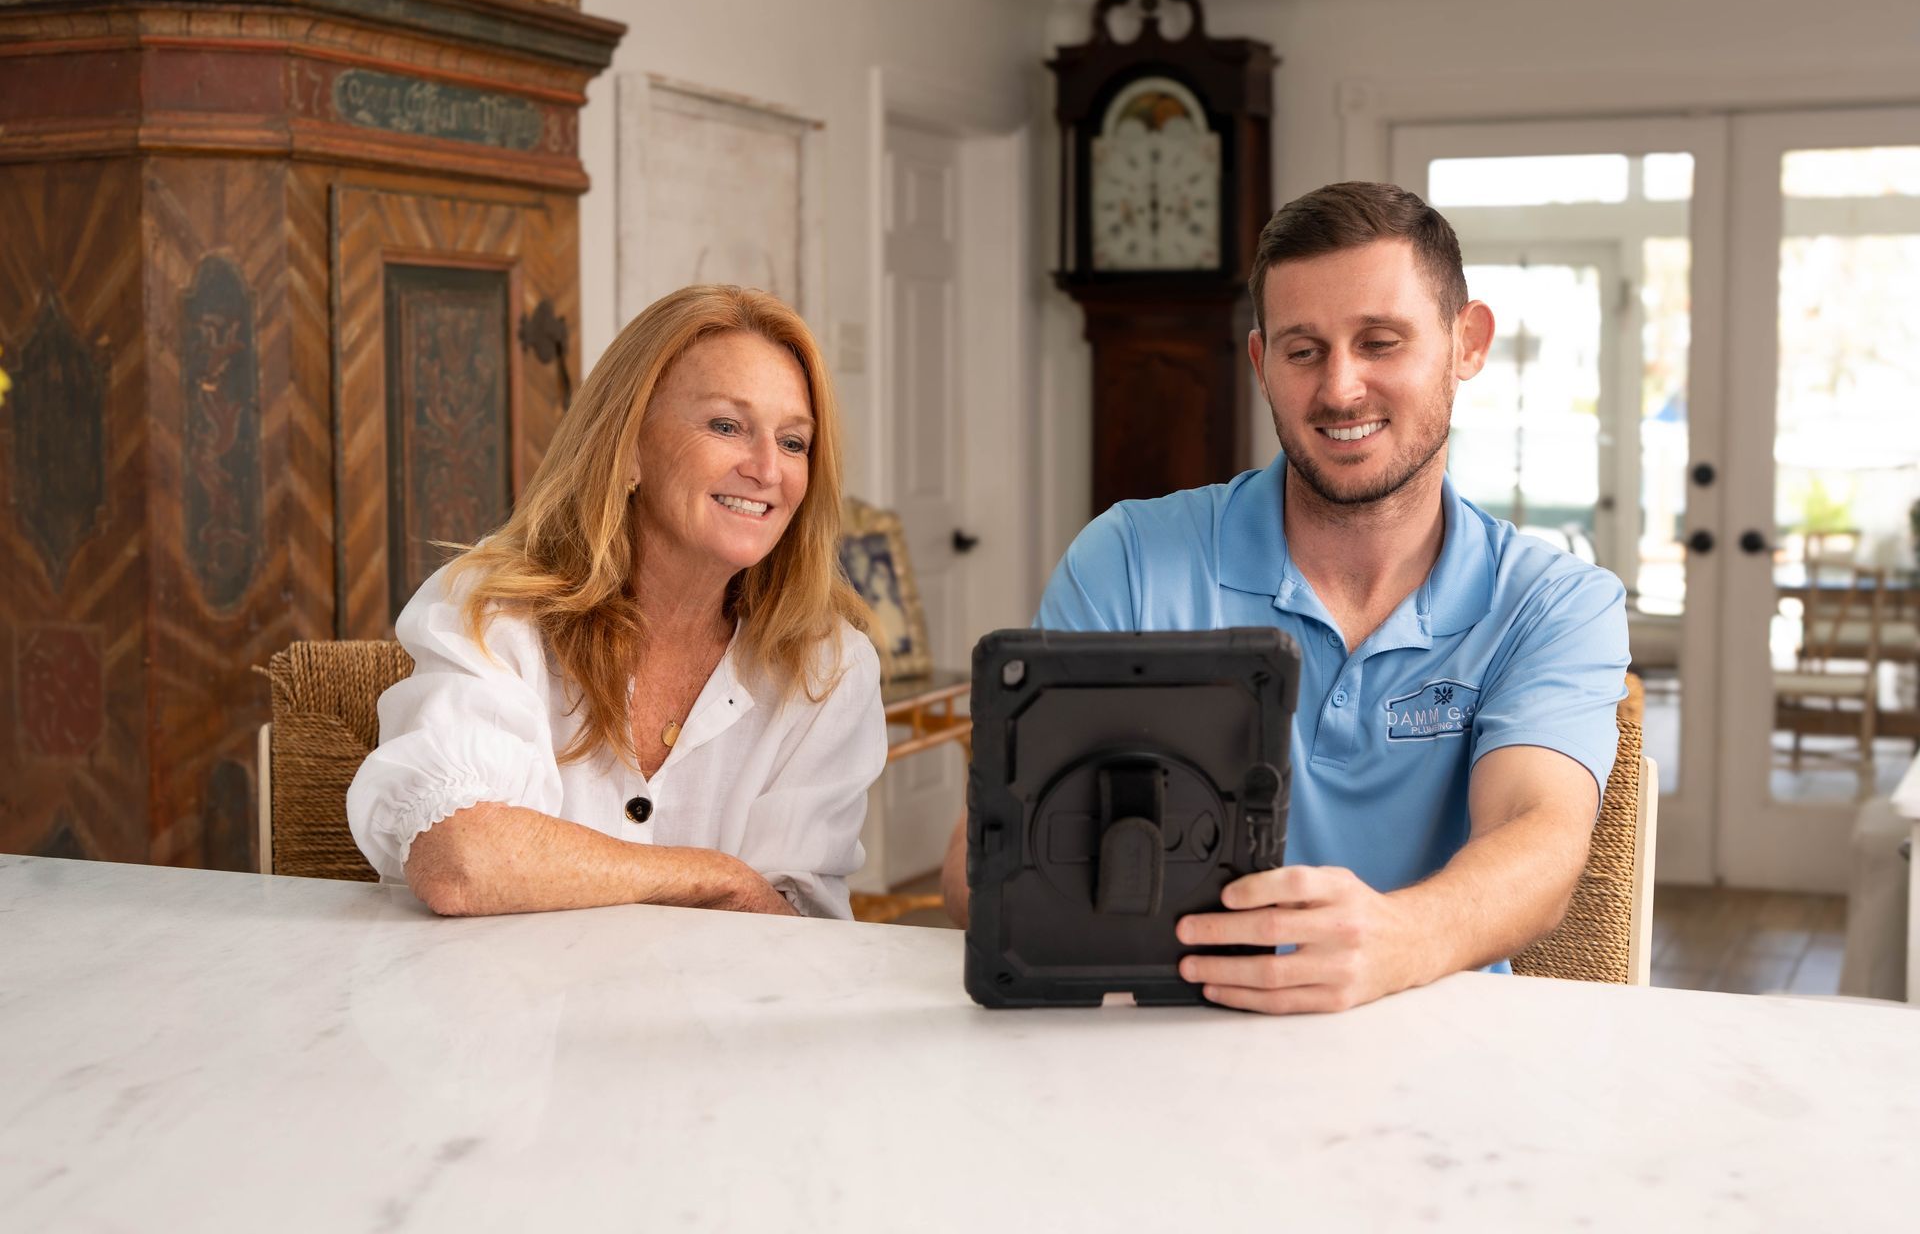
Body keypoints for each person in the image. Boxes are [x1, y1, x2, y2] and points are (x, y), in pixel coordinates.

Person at [942, 182, 1628, 1012]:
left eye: (1380, 342)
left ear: (1466, 343)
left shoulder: (1556, 603)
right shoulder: (1127, 558)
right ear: (1263, 364)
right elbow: (978, 878)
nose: (1340, 389)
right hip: (1164, 1044)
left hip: (1436, 1051)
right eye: (1305, 351)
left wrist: (1394, 942)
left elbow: (1538, 839)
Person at [348, 285, 886, 920]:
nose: (769, 469)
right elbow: (462, 861)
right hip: (498, 1009)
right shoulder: (495, 609)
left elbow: (799, 935)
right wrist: (716, 878)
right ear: (629, 447)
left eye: (794, 442)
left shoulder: (828, 666)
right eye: (725, 426)